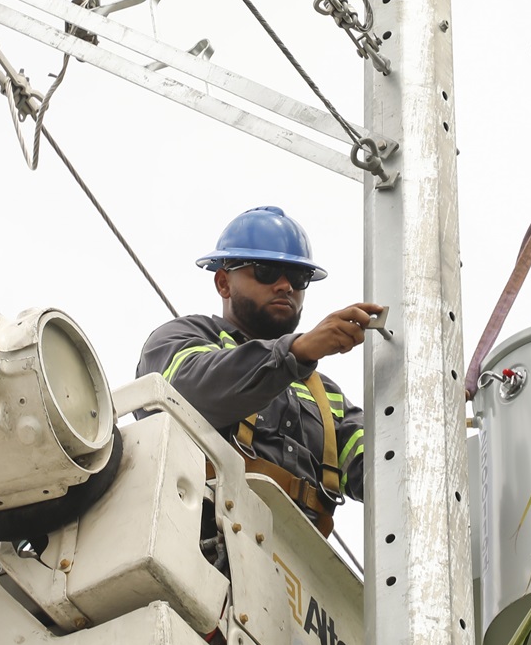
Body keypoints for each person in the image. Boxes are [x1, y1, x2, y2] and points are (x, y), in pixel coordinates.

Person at [137, 206, 382, 536]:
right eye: (266, 271)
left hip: (296, 567)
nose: (284, 286)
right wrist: (295, 351)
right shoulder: (183, 337)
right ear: (224, 283)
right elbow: (188, 393)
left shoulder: (325, 395)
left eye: (298, 278)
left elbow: (381, 468)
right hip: (201, 538)